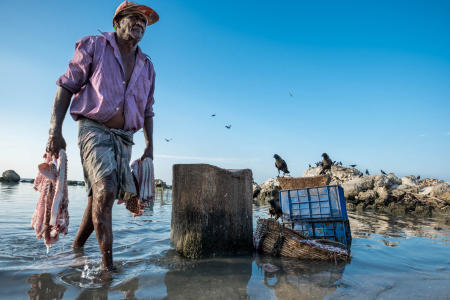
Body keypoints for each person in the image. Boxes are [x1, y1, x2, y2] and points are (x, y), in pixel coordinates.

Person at [45, 1, 159, 271]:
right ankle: (108, 269)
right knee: (106, 190)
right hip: (93, 128)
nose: (140, 23)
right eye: (133, 17)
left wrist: (150, 146)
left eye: (144, 20)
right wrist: (55, 131)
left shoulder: (147, 66)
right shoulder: (94, 45)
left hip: (124, 138)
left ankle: (76, 249)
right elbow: (65, 87)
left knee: (97, 196)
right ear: (117, 23)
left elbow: (148, 110)